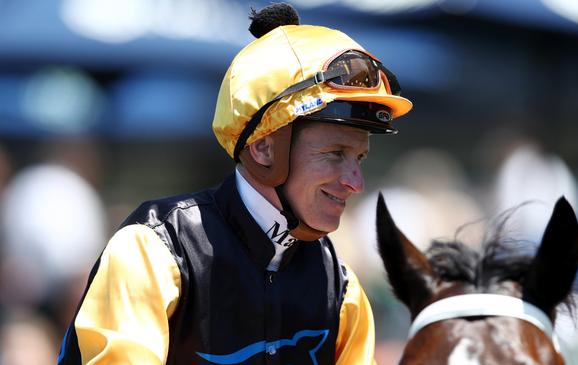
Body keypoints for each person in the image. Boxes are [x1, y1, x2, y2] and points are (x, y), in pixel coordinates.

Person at [57, 3, 412, 364]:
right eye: (336, 154)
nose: (356, 183)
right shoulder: (153, 251)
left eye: (360, 159)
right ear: (263, 148)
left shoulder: (343, 292)